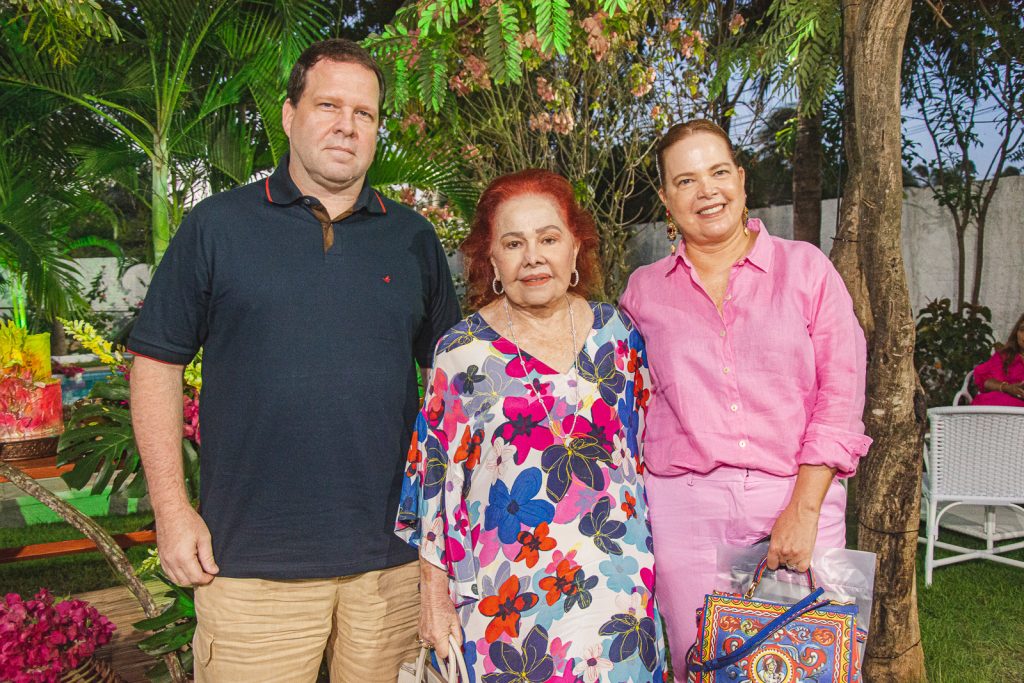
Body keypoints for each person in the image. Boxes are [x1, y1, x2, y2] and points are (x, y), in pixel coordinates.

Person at [128, 39, 460, 682]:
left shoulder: (411, 237)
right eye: (328, 105)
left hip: (390, 566)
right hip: (251, 565)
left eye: (364, 113)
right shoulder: (217, 227)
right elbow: (156, 364)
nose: (346, 125)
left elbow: (456, 382)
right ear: (288, 114)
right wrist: (171, 511)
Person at [619, 119, 872, 680]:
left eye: (717, 172)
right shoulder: (643, 291)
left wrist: (804, 511)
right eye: (685, 181)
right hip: (685, 511)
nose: (706, 190)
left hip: (798, 497)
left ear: (740, 179)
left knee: (809, 662)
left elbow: (841, 391)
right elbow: (625, 401)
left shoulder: (806, 269)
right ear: (665, 199)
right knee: (706, 666)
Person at [395, 169, 666, 682]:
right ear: (492, 258)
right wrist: (433, 601)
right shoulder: (461, 354)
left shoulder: (619, 335)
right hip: (507, 607)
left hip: (619, 597)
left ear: (575, 247)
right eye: (514, 242)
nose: (533, 256)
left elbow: (648, 459)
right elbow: (433, 490)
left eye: (549, 238)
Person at [971, 312, 1024, 406]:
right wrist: (1007, 388)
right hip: (1003, 405)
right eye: (1022, 329)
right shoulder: (1005, 356)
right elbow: (986, 381)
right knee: (991, 399)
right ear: (1016, 332)